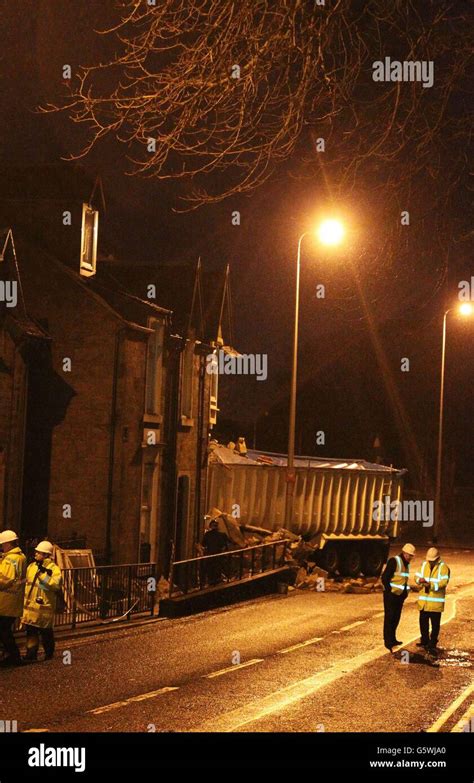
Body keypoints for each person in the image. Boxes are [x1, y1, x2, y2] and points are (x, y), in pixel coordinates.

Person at [21, 541, 62, 662]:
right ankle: (31, 655)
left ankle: (49, 654)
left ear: (46, 555)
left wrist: (43, 575)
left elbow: (55, 585)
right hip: (31, 607)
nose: (35, 554)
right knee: (31, 633)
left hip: (44, 609)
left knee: (46, 633)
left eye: (38, 552)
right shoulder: (31, 566)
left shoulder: (54, 569)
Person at [381, 543, 415, 652]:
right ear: (404, 553)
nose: (410, 557)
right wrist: (389, 590)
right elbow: (385, 578)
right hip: (391, 595)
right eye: (409, 555)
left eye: (411, 556)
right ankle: (388, 642)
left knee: (396, 618)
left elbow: (403, 580)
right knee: (390, 618)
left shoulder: (406, 564)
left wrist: (405, 592)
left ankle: (393, 639)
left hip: (399, 596)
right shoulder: (394, 561)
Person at [415, 547, 450, 652]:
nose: (430, 562)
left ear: (437, 559)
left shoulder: (444, 568)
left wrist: (430, 585)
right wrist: (419, 580)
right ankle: (424, 640)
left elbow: (443, 583)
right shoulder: (424, 564)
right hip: (424, 602)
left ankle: (433, 642)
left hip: (435, 603)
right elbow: (416, 576)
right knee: (423, 622)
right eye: (429, 560)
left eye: (432, 561)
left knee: (435, 625)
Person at [0, 530, 27, 667]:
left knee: (3, 630)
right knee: (4, 630)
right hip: (12, 600)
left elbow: (5, 579)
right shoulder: (19, 556)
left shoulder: (11, 559)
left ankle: (13, 656)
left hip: (6, 601)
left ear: (8, 544)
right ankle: (12, 655)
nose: (2, 547)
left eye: (3, 544)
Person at [202, 519, 230, 586]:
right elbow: (225, 545)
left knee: (210, 570)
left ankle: (210, 582)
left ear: (210, 526)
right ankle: (216, 581)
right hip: (218, 555)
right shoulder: (222, 535)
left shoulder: (207, 535)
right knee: (218, 569)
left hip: (210, 556)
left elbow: (203, 544)